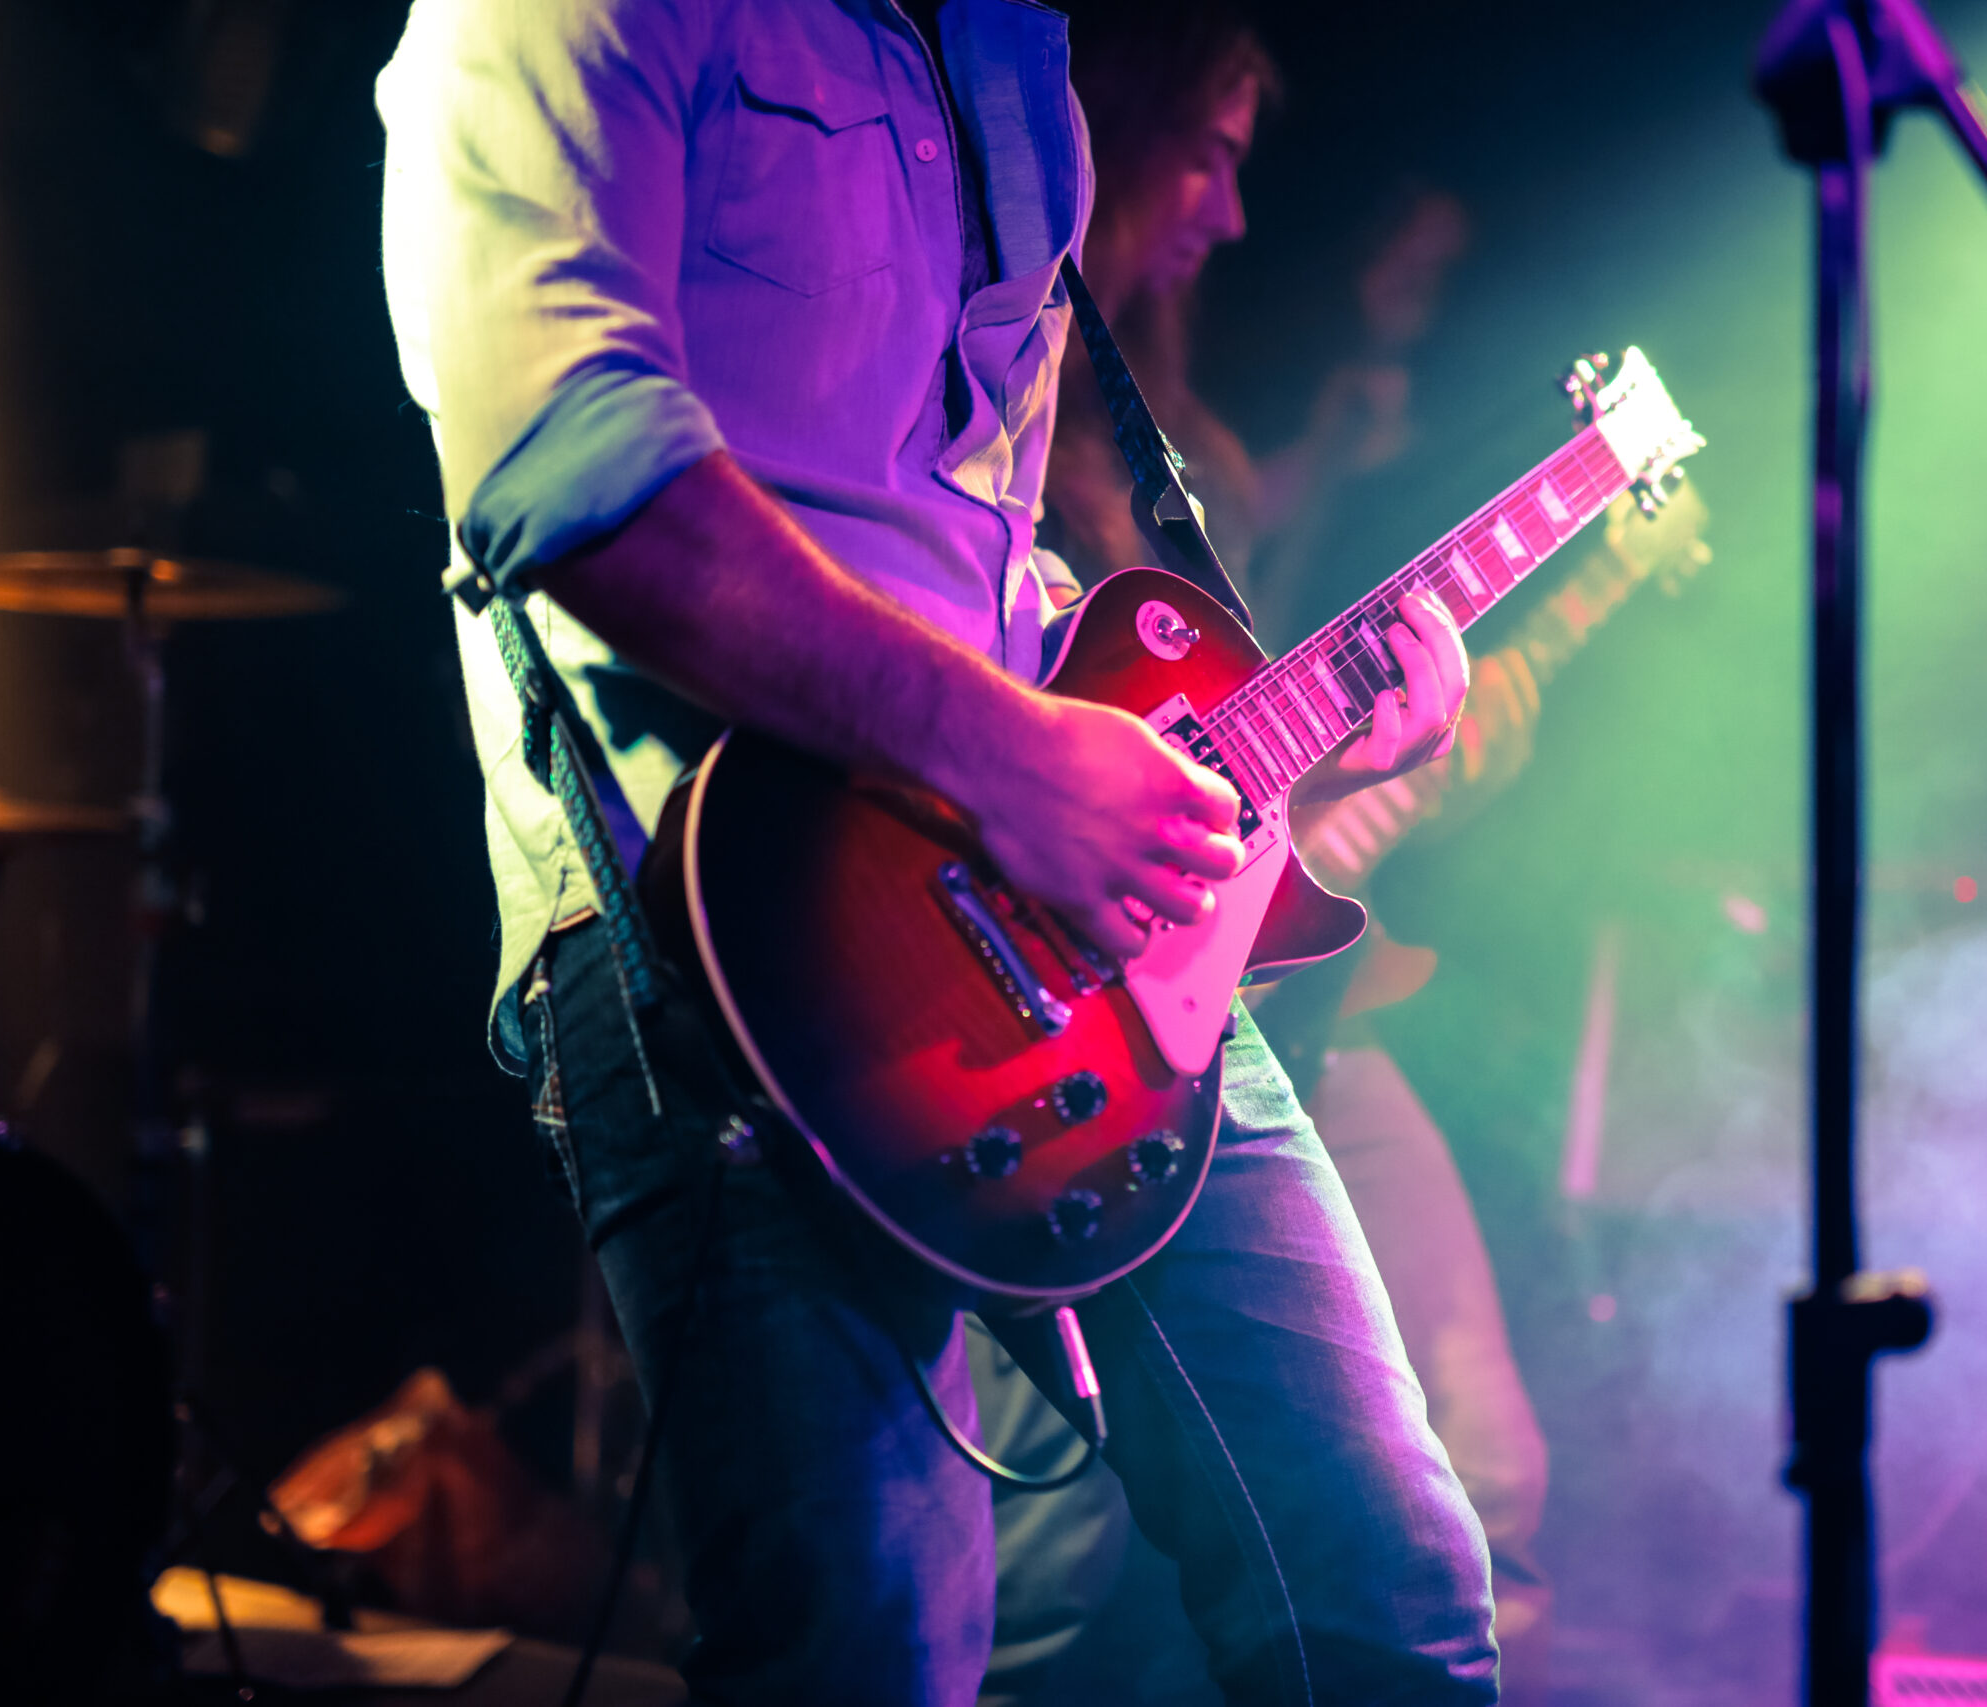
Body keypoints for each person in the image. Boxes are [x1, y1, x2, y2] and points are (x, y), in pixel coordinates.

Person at [373, 2, 1496, 1702]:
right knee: (871, 1656)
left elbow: (970, 552)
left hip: (1060, 934)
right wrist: (1013, 757)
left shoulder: (1008, 48)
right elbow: (569, 473)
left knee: (1384, 1578)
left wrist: (1275, 727)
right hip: (716, 935)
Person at [975, 7, 1554, 1704]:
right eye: (1212, 149)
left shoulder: (1179, 451)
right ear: (1111, 128)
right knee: (1064, 1586)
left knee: (1444, 1524)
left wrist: (1381, 736)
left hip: (1235, 984)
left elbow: (1231, 731)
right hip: (1048, 1008)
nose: (1230, 207)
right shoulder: (1004, 424)